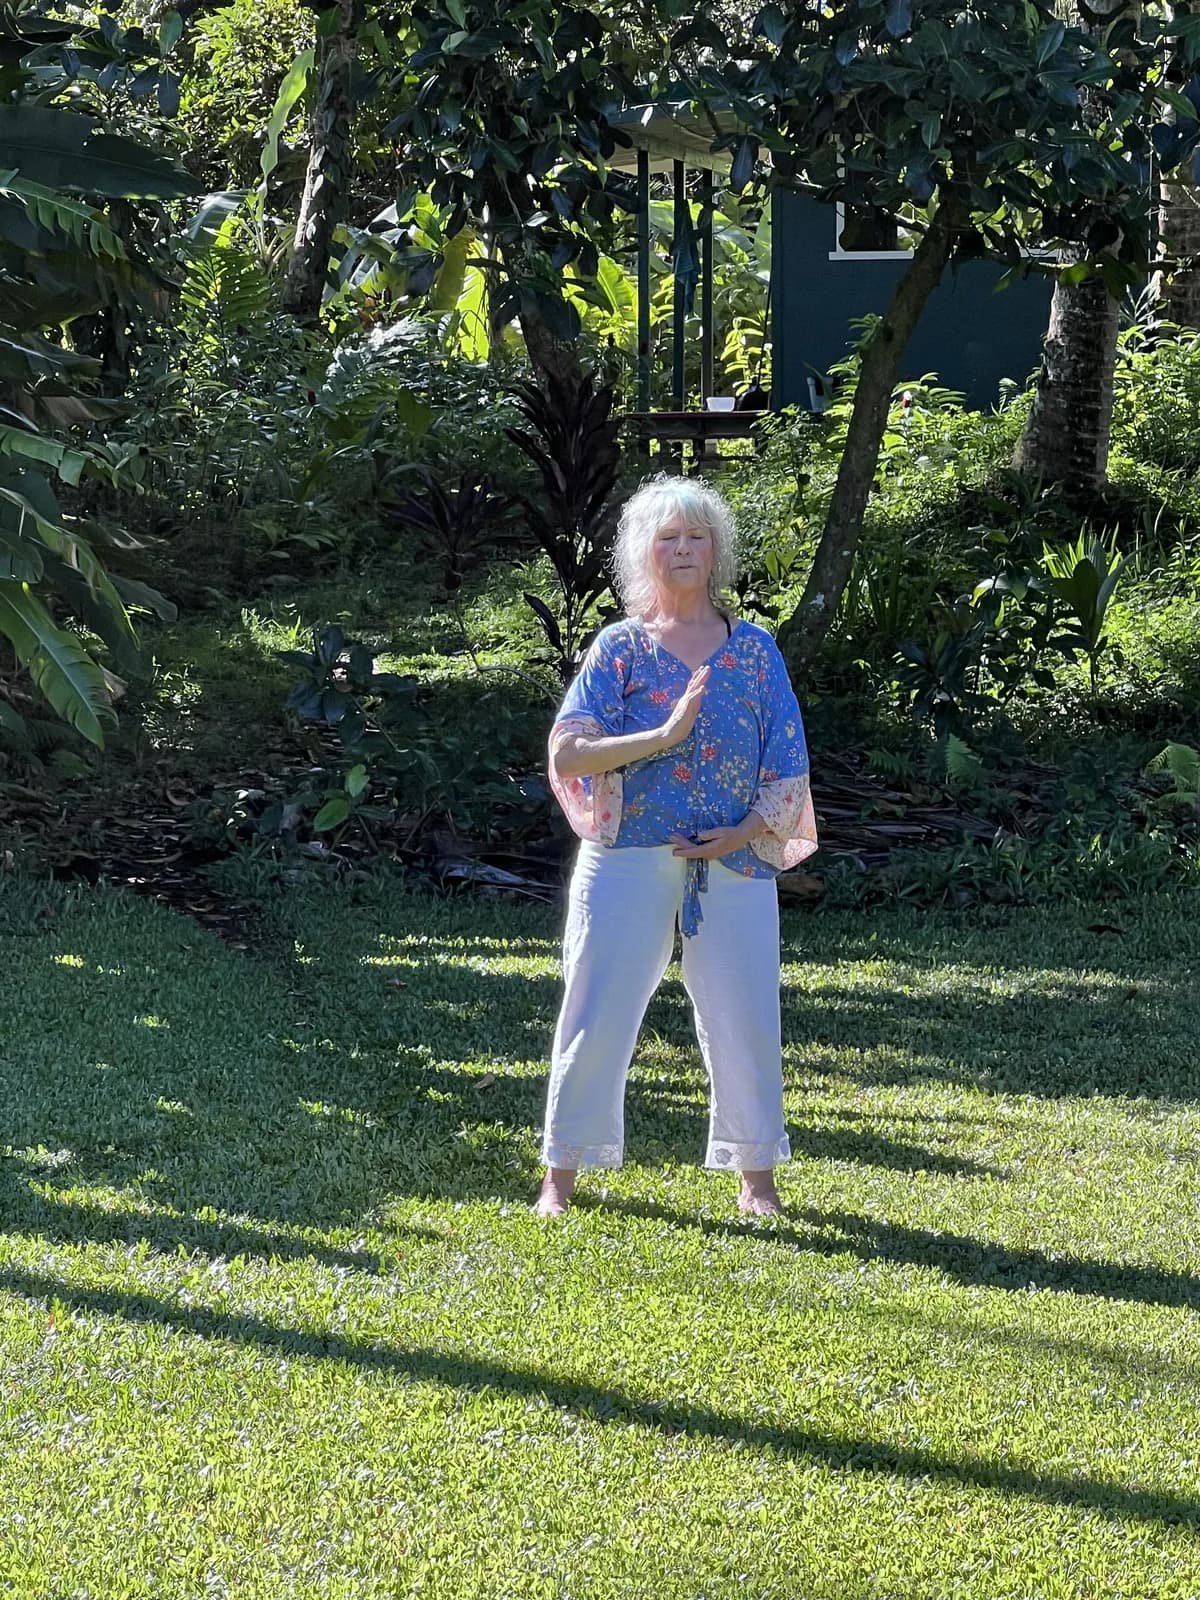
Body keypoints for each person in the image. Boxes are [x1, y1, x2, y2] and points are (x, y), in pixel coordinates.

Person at [538, 474, 818, 1218]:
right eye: (668, 537)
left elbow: (787, 763)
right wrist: (661, 738)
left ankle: (756, 1179)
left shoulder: (755, 651)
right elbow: (568, 755)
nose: (684, 548)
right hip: (628, 857)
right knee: (596, 1013)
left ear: (717, 551)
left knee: (748, 1018)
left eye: (697, 535)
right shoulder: (621, 648)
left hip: (732, 863)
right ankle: (559, 1177)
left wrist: (744, 832)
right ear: (643, 554)